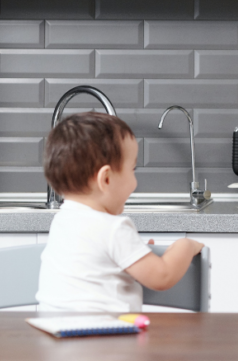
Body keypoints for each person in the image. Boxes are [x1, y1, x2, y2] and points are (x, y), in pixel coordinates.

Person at [36, 112, 204, 312]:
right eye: (132, 169)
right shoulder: (114, 228)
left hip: (56, 334)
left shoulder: (62, 222)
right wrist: (186, 245)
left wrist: (133, 254)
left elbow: (97, 267)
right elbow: (163, 277)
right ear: (106, 179)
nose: (135, 182)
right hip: (104, 337)